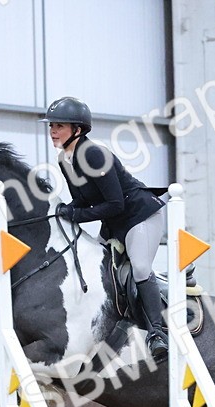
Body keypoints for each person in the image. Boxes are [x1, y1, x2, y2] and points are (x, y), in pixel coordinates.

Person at [41, 96, 168, 360]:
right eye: (51, 125)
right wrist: (61, 211)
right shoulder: (64, 159)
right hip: (114, 222)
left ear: (77, 129)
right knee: (95, 268)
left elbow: (115, 203)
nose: (52, 130)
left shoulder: (94, 154)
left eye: (59, 126)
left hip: (139, 216)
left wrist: (75, 214)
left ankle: (157, 333)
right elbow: (82, 200)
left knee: (140, 267)